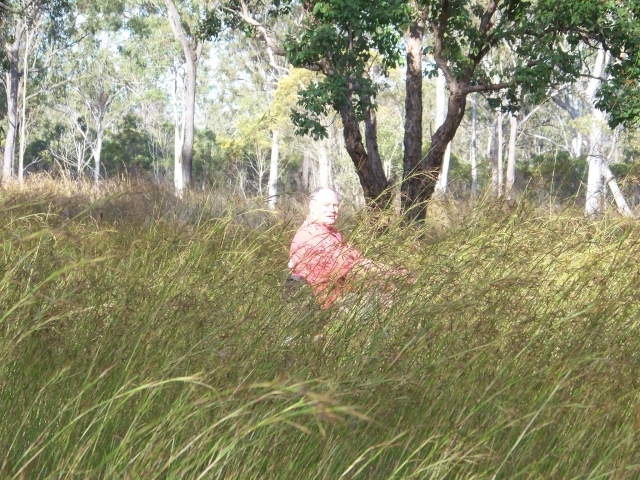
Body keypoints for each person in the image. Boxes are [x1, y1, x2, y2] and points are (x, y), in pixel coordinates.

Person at [288, 187, 409, 309]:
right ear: (313, 207)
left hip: (344, 295)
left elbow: (358, 259)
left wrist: (394, 273)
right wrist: (394, 276)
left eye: (335, 205)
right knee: (391, 301)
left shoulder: (331, 232)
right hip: (329, 306)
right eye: (326, 205)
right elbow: (349, 269)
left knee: (394, 295)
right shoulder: (309, 234)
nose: (332, 210)